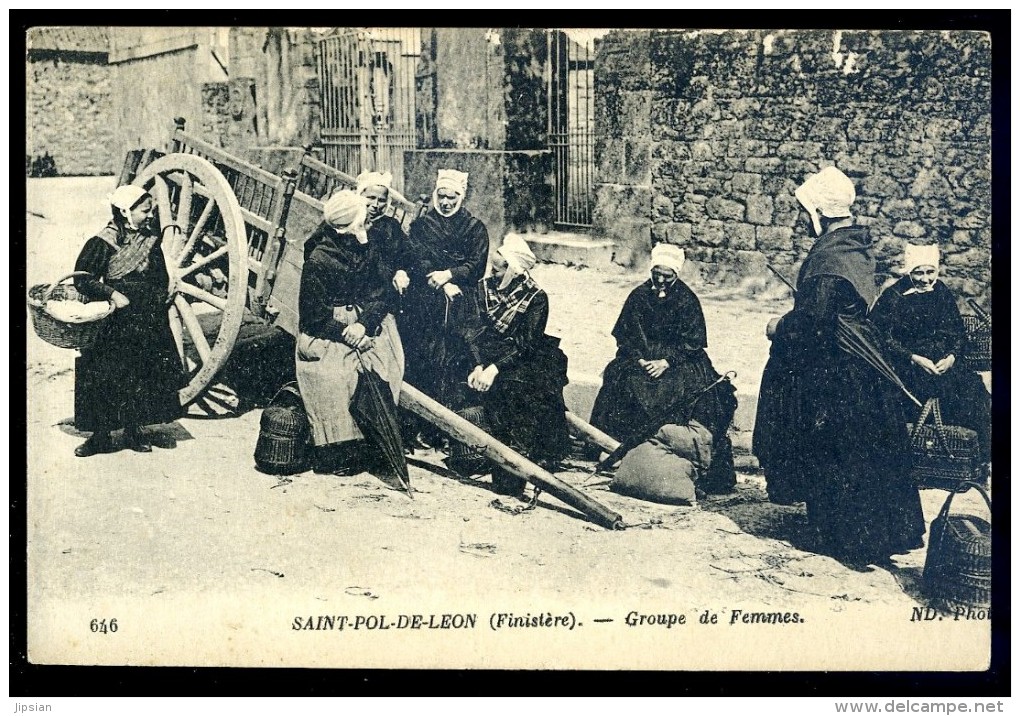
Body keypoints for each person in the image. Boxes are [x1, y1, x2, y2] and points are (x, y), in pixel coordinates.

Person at [752, 166, 925, 564]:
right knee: (864, 454)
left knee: (838, 450)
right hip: (862, 365)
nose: (800, 218)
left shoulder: (830, 257)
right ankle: (870, 533)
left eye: (805, 210)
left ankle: (845, 537)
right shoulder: (856, 246)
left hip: (840, 370)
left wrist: (778, 325)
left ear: (820, 213)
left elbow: (815, 324)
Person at [590, 243, 737, 493]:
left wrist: (665, 362)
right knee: (621, 378)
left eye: (666, 276)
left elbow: (693, 341)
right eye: (655, 273)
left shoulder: (687, 300)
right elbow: (626, 335)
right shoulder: (638, 296)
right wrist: (639, 360)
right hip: (641, 358)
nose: (659, 279)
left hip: (678, 360)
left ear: (676, 275)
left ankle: (660, 447)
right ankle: (615, 445)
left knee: (681, 389)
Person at [447, 235, 571, 495]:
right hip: (482, 353)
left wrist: (496, 368)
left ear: (514, 271)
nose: (491, 273)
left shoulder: (536, 298)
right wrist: (479, 365)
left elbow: (527, 342)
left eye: (498, 269)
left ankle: (517, 454)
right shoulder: (482, 289)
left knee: (521, 388)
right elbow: (471, 330)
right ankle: (472, 450)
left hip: (518, 356)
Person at [295, 190, 405, 475]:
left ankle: (375, 439)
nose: (367, 222)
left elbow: (379, 293)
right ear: (349, 223)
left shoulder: (365, 249)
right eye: (362, 219)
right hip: (329, 331)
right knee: (337, 375)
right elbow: (313, 317)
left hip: (361, 323)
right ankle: (339, 450)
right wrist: (347, 331)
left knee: (386, 361)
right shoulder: (318, 260)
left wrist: (364, 324)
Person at [71, 185, 185, 456]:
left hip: (146, 319)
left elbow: (160, 278)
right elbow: (81, 279)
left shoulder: (150, 240)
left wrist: (157, 300)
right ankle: (100, 437)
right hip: (114, 323)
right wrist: (111, 293)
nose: (149, 216)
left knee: (141, 375)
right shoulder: (102, 242)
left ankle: (134, 432)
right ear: (125, 212)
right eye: (144, 211)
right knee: (106, 375)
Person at [870, 243, 991, 465]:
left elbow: (957, 333)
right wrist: (913, 358)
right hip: (907, 367)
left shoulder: (941, 292)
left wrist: (952, 357)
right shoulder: (894, 296)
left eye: (930, 272)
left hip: (943, 365)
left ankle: (978, 459)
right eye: (919, 272)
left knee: (974, 390)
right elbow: (880, 337)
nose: (925, 279)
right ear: (909, 271)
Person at [402, 169, 489, 438]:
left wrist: (451, 275)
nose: (446, 203)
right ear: (435, 195)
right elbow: (416, 258)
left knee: (456, 359)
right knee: (425, 358)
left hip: (461, 302)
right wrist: (439, 280)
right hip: (426, 301)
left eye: (452, 197)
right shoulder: (422, 225)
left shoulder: (475, 228)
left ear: (461, 197)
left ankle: (451, 429)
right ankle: (421, 427)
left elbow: (476, 265)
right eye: (441, 196)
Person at [357, 170, 413, 299]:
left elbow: (406, 254)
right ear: (360, 195)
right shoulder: (346, 220)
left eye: (381, 200)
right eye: (370, 198)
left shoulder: (391, 225)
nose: (376, 205)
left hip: (381, 292)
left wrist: (401, 271)